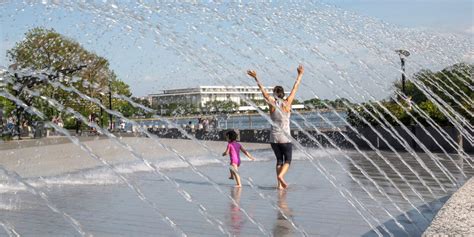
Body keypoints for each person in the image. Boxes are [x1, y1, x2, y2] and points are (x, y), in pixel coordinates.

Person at [247, 65, 304, 189]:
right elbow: (295, 87)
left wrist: (256, 78)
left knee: (279, 160)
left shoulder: (271, 104)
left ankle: (279, 186)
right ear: (283, 94)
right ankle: (281, 177)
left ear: (274, 94)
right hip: (285, 138)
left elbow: (263, 92)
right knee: (288, 160)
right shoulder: (287, 103)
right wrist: (299, 74)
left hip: (273, 138)